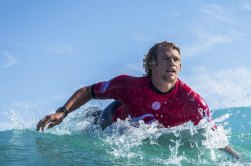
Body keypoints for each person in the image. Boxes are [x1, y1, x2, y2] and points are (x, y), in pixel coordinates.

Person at [36, 41, 239, 159]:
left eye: (177, 59)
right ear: (152, 63)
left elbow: (214, 137)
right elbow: (88, 91)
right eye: (167, 58)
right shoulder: (128, 85)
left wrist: (236, 158)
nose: (173, 63)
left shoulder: (194, 102)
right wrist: (62, 111)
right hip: (114, 120)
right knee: (96, 127)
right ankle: (92, 117)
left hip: (150, 131)